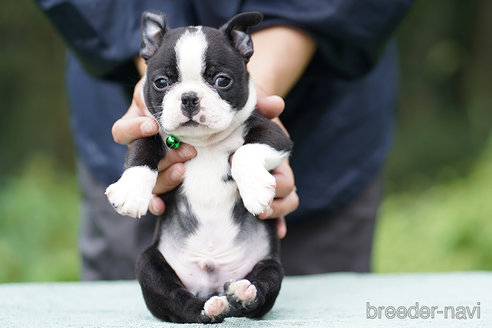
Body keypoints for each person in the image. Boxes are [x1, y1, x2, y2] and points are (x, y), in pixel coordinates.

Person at [36, 0, 414, 280]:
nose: (191, 98)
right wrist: (153, 83)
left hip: (324, 132)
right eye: (168, 83)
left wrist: (255, 101)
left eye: (218, 82)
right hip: (138, 159)